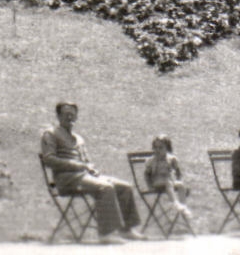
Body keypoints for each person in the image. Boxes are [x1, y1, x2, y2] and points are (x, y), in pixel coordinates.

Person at [40, 102, 144, 244]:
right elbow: (48, 159)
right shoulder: (50, 134)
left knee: (125, 187)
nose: (69, 116)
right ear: (58, 116)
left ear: (76, 116)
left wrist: (91, 167)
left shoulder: (78, 138)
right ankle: (106, 234)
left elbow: (87, 160)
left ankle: (127, 230)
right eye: (65, 113)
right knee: (105, 187)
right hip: (66, 178)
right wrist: (76, 165)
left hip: (85, 176)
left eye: (73, 113)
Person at [143, 134, 192, 223]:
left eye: (161, 148)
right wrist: (149, 186)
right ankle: (175, 203)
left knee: (180, 185)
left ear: (167, 149)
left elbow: (178, 171)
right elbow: (147, 175)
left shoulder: (171, 159)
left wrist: (179, 180)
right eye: (155, 148)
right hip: (156, 182)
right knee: (168, 182)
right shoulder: (151, 161)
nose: (157, 150)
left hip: (169, 181)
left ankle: (183, 207)